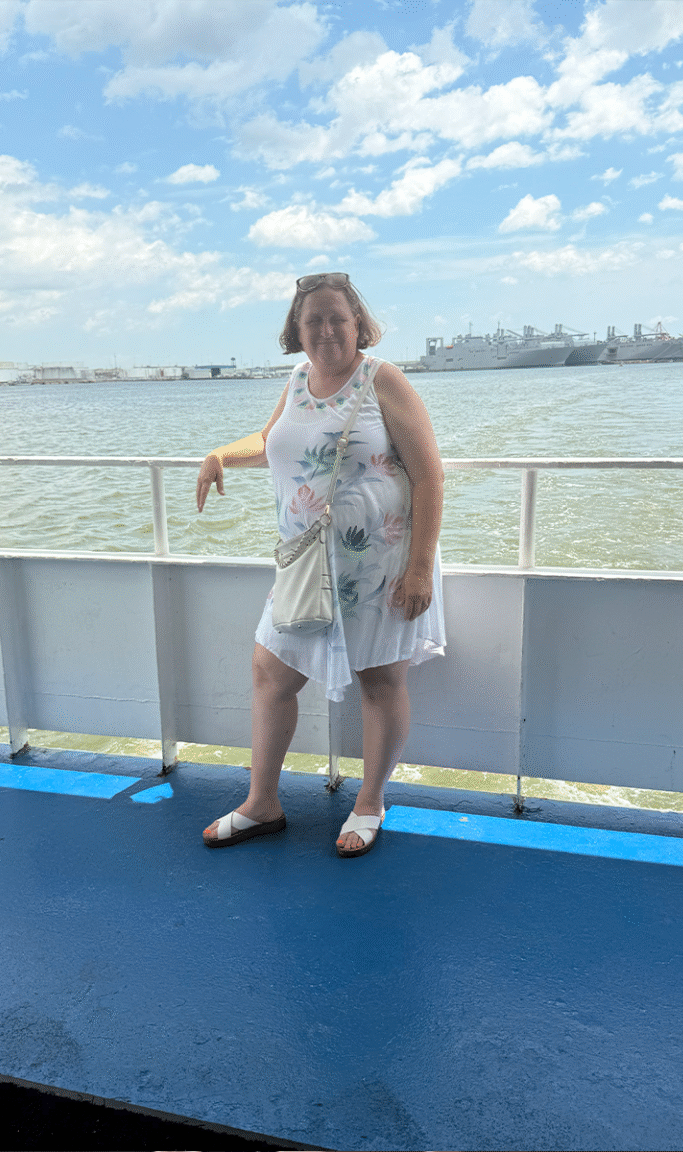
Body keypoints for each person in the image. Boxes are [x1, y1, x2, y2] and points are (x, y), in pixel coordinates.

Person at [197, 272, 445, 857]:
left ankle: (370, 803)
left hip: (380, 567)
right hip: (307, 566)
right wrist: (221, 454)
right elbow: (270, 441)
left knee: (380, 680)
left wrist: (419, 569)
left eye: (338, 318)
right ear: (296, 329)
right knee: (271, 670)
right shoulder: (297, 379)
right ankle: (263, 803)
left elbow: (430, 476)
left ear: (358, 323)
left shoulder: (383, 380)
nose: (327, 330)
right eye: (314, 320)